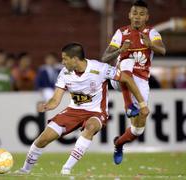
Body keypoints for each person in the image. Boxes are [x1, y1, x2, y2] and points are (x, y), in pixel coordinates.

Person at [18, 42, 149, 175]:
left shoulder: (100, 68)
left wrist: (142, 103)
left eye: (65, 59)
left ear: (75, 59)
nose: (62, 62)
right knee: (44, 138)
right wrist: (46, 105)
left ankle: (66, 169)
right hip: (73, 111)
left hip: (96, 112)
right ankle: (25, 170)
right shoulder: (65, 73)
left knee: (91, 127)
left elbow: (127, 79)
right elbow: (55, 99)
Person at [101, 0, 166, 165]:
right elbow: (105, 58)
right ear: (129, 15)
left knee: (138, 129)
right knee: (126, 62)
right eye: (135, 13)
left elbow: (163, 50)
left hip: (141, 81)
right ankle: (129, 105)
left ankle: (119, 143)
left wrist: (149, 44)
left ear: (147, 17)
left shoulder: (152, 32)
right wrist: (120, 51)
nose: (137, 17)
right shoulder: (121, 32)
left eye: (141, 14)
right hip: (120, 77)